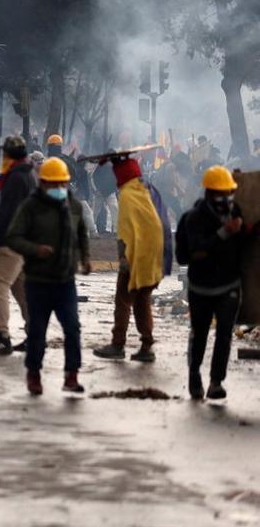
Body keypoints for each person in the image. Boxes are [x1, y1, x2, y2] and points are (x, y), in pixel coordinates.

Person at [4, 158, 91, 396]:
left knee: (72, 329)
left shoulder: (74, 206)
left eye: (62, 184)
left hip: (65, 282)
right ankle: (34, 374)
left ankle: (71, 376)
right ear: (42, 184)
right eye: (54, 184)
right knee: (37, 332)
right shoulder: (30, 207)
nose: (59, 189)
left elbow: (81, 233)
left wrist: (85, 258)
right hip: (38, 282)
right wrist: (35, 250)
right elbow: (14, 237)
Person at [177, 166, 245, 401]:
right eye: (220, 193)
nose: (224, 198)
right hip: (201, 287)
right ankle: (194, 373)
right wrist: (224, 232)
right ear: (209, 193)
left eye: (228, 192)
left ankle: (216, 381)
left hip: (229, 285)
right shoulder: (195, 218)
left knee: (224, 334)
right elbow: (196, 252)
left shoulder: (234, 210)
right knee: (200, 333)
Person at [93, 157, 168, 362]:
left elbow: (125, 230)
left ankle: (118, 344)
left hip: (135, 257)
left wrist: (124, 258)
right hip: (152, 256)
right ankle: (146, 344)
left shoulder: (128, 195)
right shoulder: (147, 190)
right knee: (142, 301)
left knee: (124, 301)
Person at [0, 137, 35, 355]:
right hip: (24, 240)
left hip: (12, 241)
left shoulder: (15, 177)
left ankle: (1, 337)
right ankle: (35, 333)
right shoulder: (28, 174)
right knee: (19, 287)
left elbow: (6, 212)